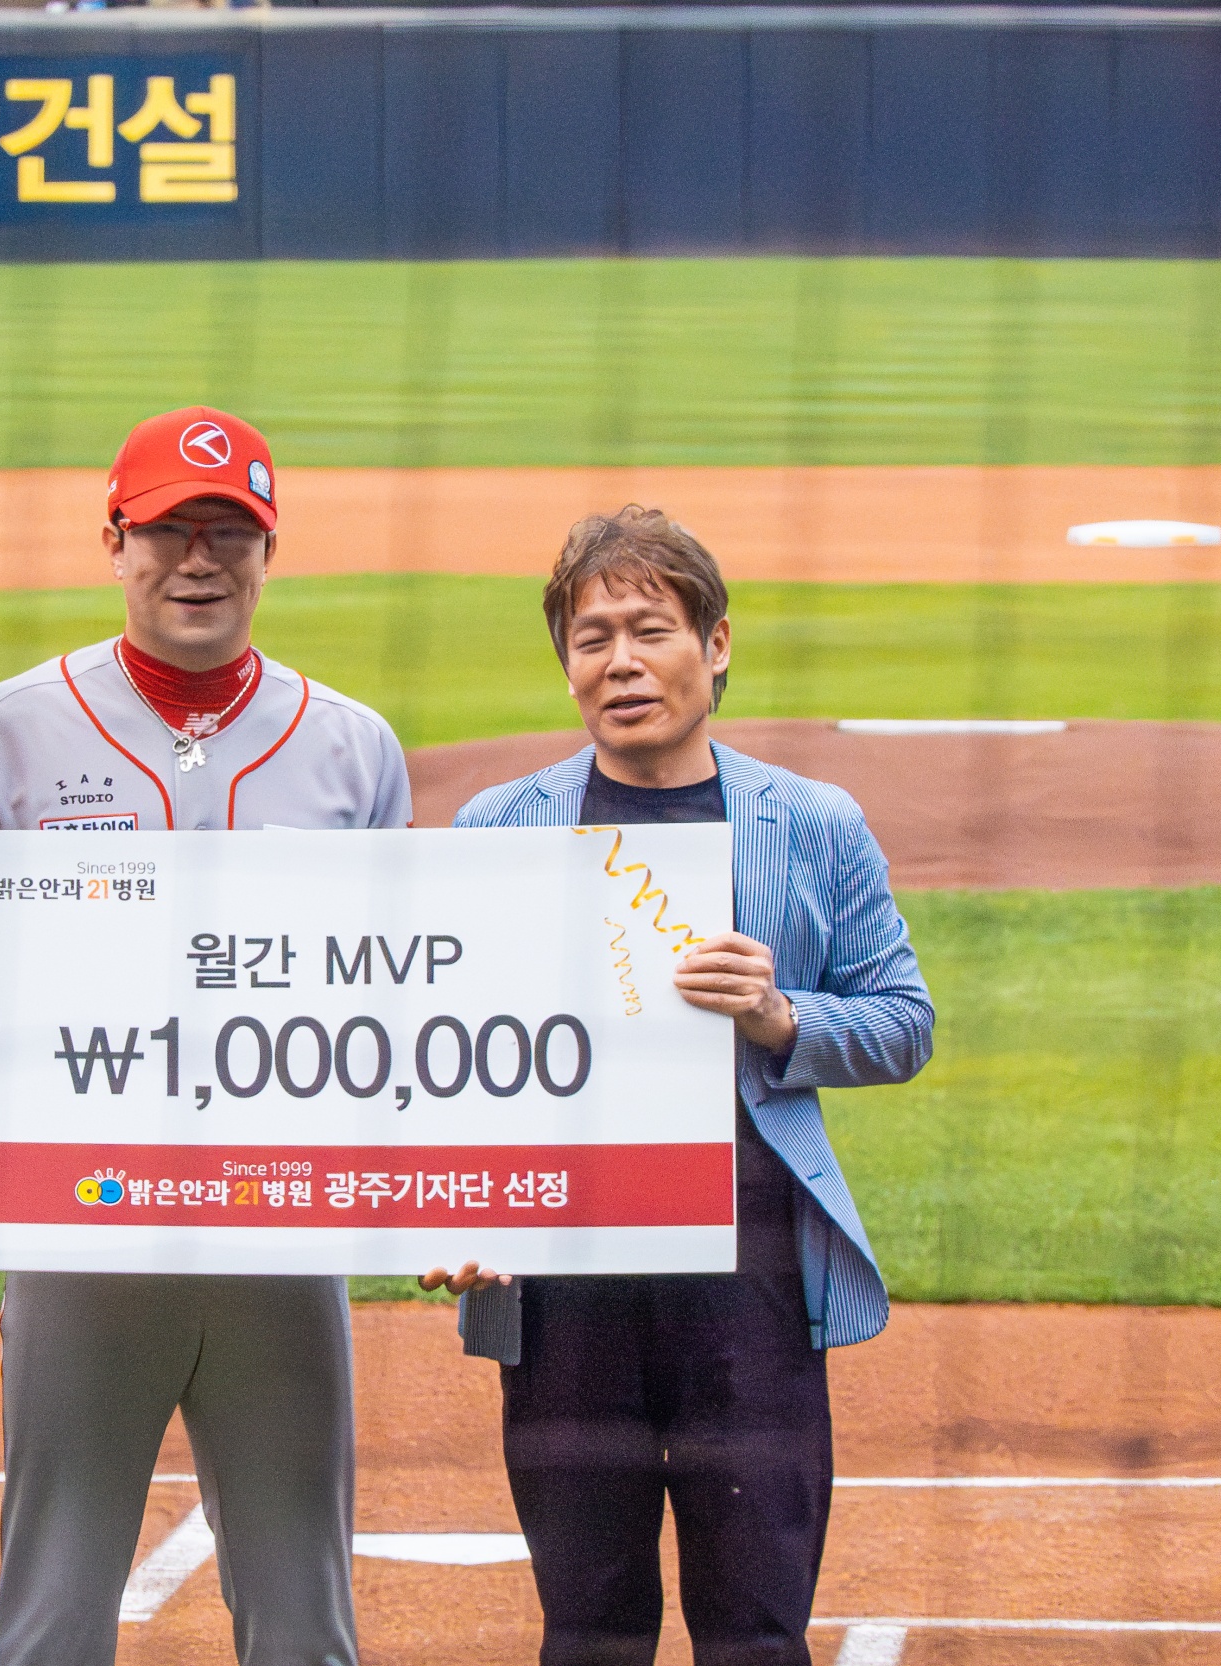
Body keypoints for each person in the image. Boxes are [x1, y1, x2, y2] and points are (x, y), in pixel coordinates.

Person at [0, 406, 408, 1666]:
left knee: (303, 1614)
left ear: (269, 551)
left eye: (231, 530)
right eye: (171, 528)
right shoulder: (13, 727)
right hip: (81, 1231)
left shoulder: (353, 748)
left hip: (280, 1234)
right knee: (51, 1610)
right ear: (114, 540)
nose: (199, 558)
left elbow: (396, 1000)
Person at [425, 507, 933, 1666]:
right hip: (563, 1297)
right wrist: (453, 1206)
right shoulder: (495, 829)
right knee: (588, 1629)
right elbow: (446, 1056)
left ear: (715, 644)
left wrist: (781, 1016)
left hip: (749, 1290)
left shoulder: (811, 826)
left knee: (755, 1632)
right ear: (565, 664)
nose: (621, 661)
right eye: (591, 637)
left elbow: (904, 1023)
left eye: (649, 630)